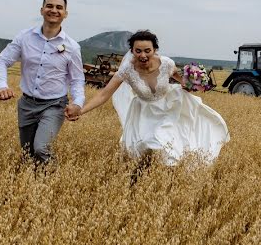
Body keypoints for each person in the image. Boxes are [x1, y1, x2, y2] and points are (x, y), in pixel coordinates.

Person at [77, 30, 229, 166]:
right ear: (132, 51)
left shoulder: (167, 64)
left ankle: (169, 175)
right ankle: (144, 174)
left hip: (169, 107)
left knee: (161, 141)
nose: (143, 55)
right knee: (143, 150)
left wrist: (196, 81)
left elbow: (183, 82)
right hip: (144, 112)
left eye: (147, 50)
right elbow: (104, 94)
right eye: (138, 51)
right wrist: (81, 110)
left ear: (155, 50)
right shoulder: (126, 71)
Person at [0, 0, 85, 165]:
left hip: (54, 105)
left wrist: (78, 102)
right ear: (41, 10)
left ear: (65, 14)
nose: (54, 10)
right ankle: (31, 185)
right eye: (49, 6)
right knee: (28, 152)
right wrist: (1, 86)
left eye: (59, 7)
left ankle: (50, 183)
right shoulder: (24, 37)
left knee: (41, 148)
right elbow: (2, 61)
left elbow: (77, 79)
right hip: (27, 104)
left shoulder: (72, 47)